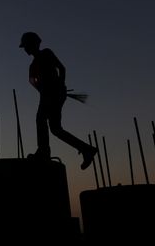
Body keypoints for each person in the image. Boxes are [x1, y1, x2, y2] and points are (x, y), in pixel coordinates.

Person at [19, 31, 97, 169]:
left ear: (33, 44)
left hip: (54, 94)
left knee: (41, 119)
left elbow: (62, 68)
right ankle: (86, 149)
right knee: (55, 128)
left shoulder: (46, 54)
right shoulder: (33, 66)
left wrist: (60, 85)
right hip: (49, 95)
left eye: (26, 46)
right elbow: (32, 81)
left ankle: (44, 151)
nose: (25, 49)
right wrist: (42, 89)